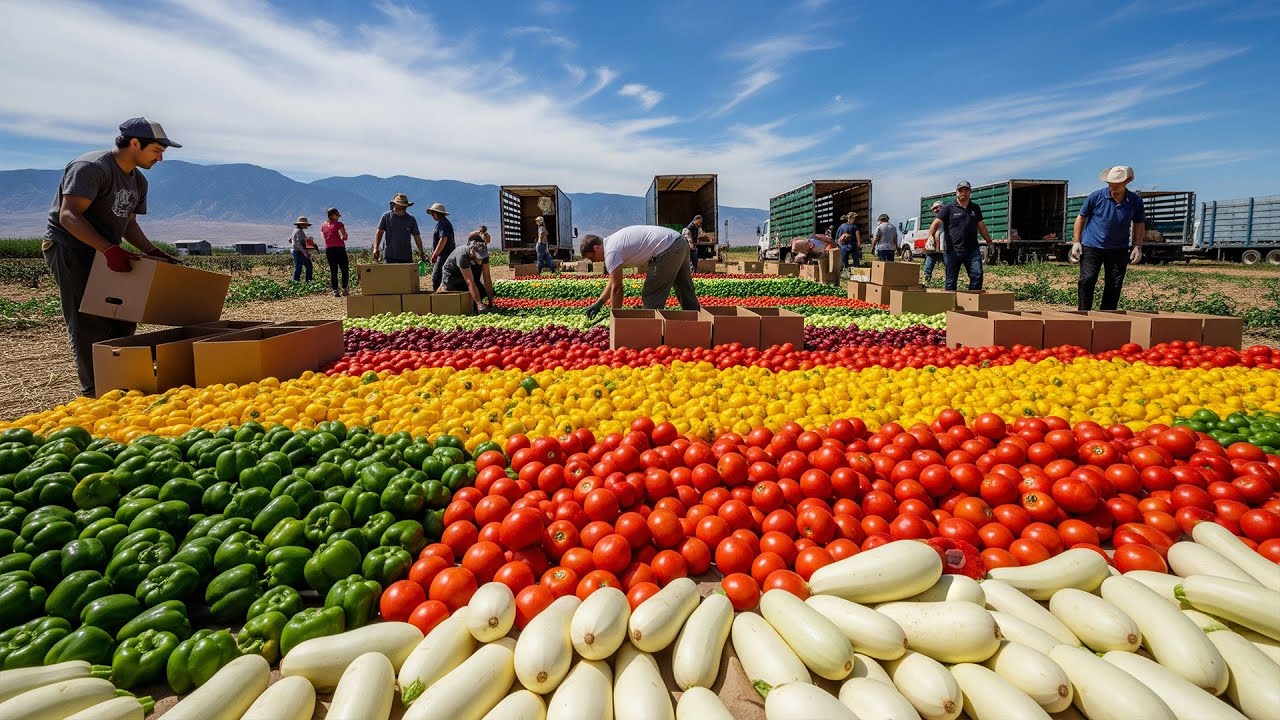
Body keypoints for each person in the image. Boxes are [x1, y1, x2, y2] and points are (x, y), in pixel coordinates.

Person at [43, 116, 182, 397]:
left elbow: (129, 225)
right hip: (72, 249)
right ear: (134, 143)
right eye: (156, 151)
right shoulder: (92, 168)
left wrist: (152, 251)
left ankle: (121, 384)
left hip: (107, 251)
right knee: (88, 322)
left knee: (122, 318)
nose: (160, 159)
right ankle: (96, 392)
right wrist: (108, 249)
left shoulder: (138, 182)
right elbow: (69, 216)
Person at [580, 225, 699, 317]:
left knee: (651, 294)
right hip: (678, 241)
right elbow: (613, 282)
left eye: (591, 257)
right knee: (684, 288)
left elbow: (617, 288)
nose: (593, 261)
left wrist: (616, 317)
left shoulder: (611, 252)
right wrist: (599, 303)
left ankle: (652, 333)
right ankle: (698, 325)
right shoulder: (612, 242)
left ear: (597, 248)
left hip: (667, 248)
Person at [1074, 166, 1146, 311]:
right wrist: (1076, 242)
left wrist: (1137, 246)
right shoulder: (1096, 196)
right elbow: (1081, 217)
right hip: (1091, 246)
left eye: (1116, 185)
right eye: (1110, 184)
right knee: (1087, 280)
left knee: (1114, 284)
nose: (1112, 187)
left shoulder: (1135, 201)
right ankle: (1083, 314)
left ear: (1128, 181)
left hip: (1118, 249)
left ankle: (1107, 316)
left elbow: (1139, 223)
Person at [928, 180, 993, 291]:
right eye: (960, 190)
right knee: (951, 280)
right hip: (952, 250)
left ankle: (972, 302)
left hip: (972, 249)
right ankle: (950, 305)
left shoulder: (975, 208)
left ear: (970, 192)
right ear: (956, 192)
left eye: (966, 190)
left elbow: (981, 226)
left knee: (977, 275)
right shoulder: (948, 208)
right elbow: (936, 223)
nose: (963, 192)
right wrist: (930, 236)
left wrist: (989, 242)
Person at [438, 234, 494, 312]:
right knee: (453, 301)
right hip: (453, 275)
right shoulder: (462, 255)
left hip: (469, 273)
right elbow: (470, 282)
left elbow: (487, 278)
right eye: (477, 256)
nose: (480, 260)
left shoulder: (484, 255)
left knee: (480, 294)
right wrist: (479, 304)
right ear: (471, 250)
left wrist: (491, 302)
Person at [373, 193, 427, 267]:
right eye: (399, 208)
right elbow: (379, 232)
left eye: (404, 208)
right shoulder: (386, 217)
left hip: (406, 257)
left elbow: (416, 236)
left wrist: (421, 252)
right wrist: (376, 248)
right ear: (394, 205)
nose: (402, 210)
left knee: (405, 278)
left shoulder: (411, 219)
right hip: (390, 256)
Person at [426, 202, 456, 291]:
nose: (432, 215)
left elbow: (443, 239)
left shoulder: (443, 224)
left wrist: (435, 254)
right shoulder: (442, 223)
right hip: (445, 255)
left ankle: (437, 298)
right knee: (443, 277)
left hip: (444, 256)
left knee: (436, 277)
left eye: (433, 213)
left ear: (438, 213)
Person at [321, 207, 349, 296]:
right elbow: (345, 236)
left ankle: (335, 290)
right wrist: (342, 238)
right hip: (339, 249)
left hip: (329, 249)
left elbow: (324, 238)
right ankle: (344, 289)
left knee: (333, 270)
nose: (338, 217)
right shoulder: (339, 224)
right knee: (344, 269)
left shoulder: (323, 225)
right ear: (333, 215)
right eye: (337, 215)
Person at [922, 201, 945, 284]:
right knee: (930, 259)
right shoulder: (937, 219)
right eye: (934, 209)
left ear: (942, 207)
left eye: (937, 208)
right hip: (935, 243)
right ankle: (927, 277)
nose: (935, 210)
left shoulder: (945, 217)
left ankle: (950, 279)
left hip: (943, 244)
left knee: (947, 262)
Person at [289, 216, 314, 283]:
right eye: (305, 224)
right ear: (301, 224)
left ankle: (307, 282)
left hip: (297, 251)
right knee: (299, 267)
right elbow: (298, 244)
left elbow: (290, 240)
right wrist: (305, 253)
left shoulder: (296, 230)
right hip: (298, 251)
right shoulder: (299, 232)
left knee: (307, 265)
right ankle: (296, 282)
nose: (306, 226)